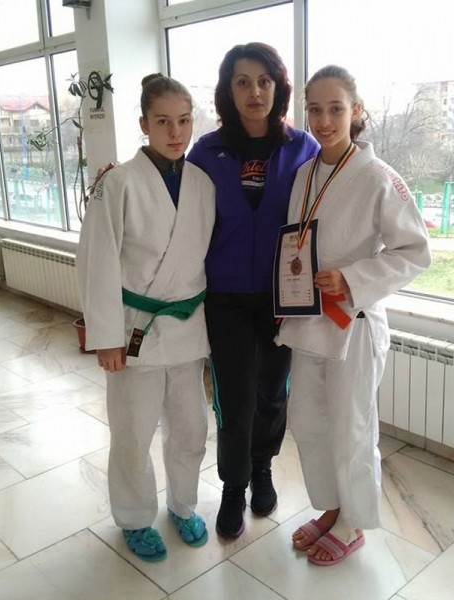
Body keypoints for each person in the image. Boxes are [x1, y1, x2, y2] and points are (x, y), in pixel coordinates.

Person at [276, 65, 431, 566]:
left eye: (335, 109)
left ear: (356, 110)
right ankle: (332, 506)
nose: (324, 121)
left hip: (353, 322)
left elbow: (414, 251)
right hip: (307, 319)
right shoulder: (304, 174)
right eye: (315, 110)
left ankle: (354, 523)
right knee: (308, 421)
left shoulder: (379, 176)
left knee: (352, 428)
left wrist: (352, 279)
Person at [76, 73, 216, 562]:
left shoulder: (203, 184)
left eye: (184, 121)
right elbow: (96, 261)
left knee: (191, 428)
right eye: (163, 122)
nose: (176, 132)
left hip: (188, 327)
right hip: (136, 325)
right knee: (133, 432)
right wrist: (105, 337)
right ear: (144, 124)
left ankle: (182, 503)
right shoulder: (117, 184)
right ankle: (135, 516)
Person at [187, 43, 319, 538]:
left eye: (264, 80)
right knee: (235, 398)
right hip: (226, 298)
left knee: (272, 393)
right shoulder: (206, 152)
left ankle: (262, 468)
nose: (255, 91)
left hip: (284, 297)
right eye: (242, 81)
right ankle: (232, 486)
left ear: (278, 87)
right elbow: (177, 206)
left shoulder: (303, 148)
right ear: (228, 90)